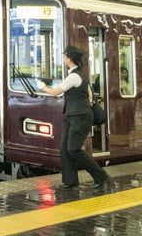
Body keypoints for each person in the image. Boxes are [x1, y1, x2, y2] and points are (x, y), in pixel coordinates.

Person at [36, 46, 109, 190]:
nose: (63, 58)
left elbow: (56, 92)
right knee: (65, 149)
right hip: (71, 115)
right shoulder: (78, 74)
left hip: (80, 117)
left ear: (70, 58)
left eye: (64, 56)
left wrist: (42, 87)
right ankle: (70, 181)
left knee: (73, 149)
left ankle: (100, 175)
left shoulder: (75, 76)